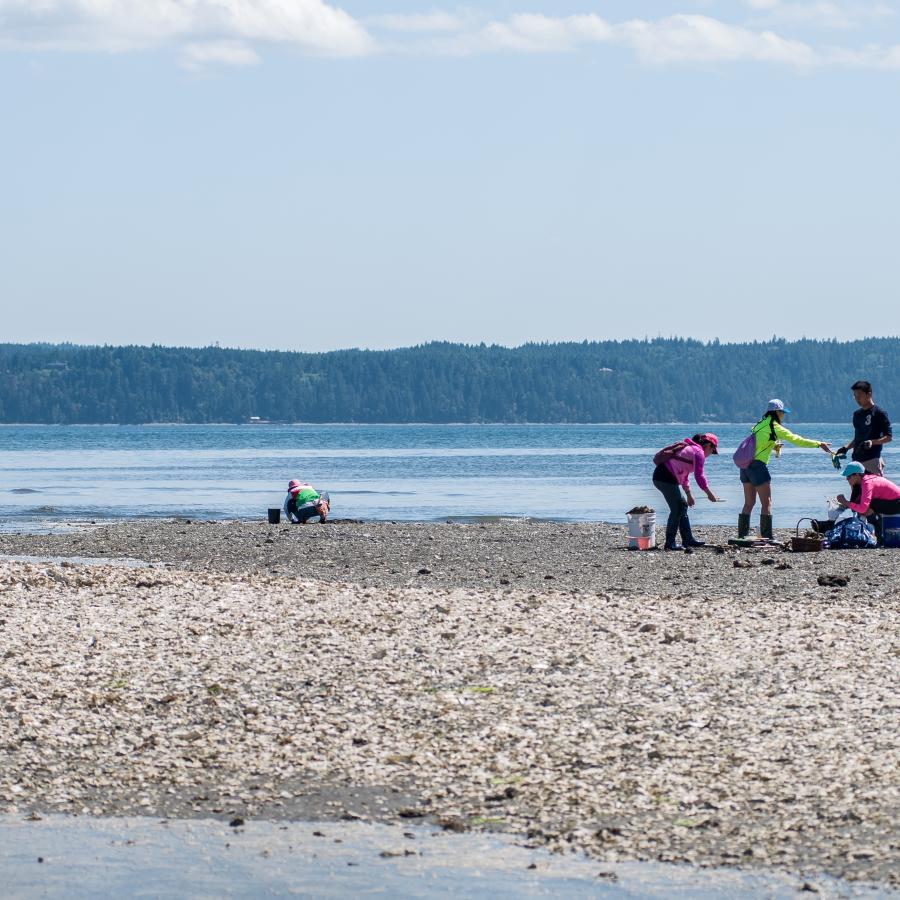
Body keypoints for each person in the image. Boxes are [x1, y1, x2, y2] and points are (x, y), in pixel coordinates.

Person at [738, 400, 831, 539]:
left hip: (745, 467)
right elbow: (797, 440)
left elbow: (758, 443)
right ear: (777, 412)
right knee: (767, 503)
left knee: (749, 503)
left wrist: (773, 446)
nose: (783, 415)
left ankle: (742, 536)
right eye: (782, 412)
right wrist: (818, 444)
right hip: (758, 467)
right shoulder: (775, 427)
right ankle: (767, 536)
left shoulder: (758, 425)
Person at [652, 433, 720, 551]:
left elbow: (684, 475)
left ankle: (688, 539)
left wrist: (688, 494)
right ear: (709, 445)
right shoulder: (698, 453)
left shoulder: (691, 450)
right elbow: (700, 476)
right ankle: (670, 543)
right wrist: (709, 494)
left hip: (663, 477)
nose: (711, 454)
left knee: (682, 507)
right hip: (665, 477)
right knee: (677, 509)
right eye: (713, 451)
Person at [834, 381, 892, 475]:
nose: (857, 399)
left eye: (859, 395)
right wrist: (846, 448)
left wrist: (872, 442)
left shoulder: (879, 413)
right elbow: (857, 438)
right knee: (856, 490)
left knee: (872, 489)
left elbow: (888, 437)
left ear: (869, 394)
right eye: (855, 396)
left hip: (872, 460)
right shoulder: (857, 415)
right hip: (856, 461)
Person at [836, 461, 900, 546]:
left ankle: (879, 537)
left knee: (866, 508)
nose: (847, 479)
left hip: (897, 503)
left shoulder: (867, 483)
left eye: (848, 477)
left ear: (857, 475)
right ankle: (878, 535)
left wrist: (846, 502)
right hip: (892, 502)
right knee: (866, 505)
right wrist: (847, 504)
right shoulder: (865, 480)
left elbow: (863, 508)